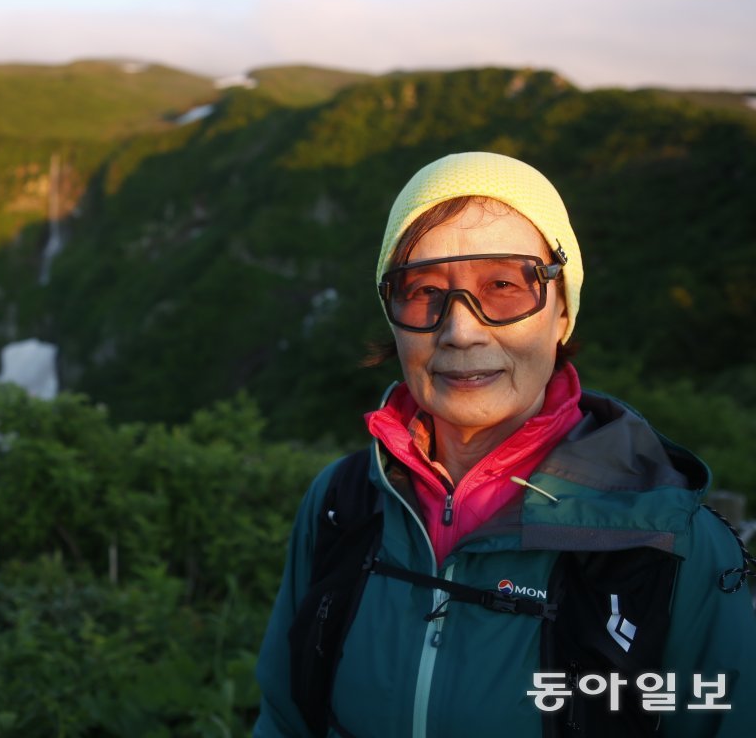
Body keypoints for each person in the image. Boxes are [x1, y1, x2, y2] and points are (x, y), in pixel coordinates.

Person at [253, 151, 756, 737]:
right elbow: (287, 721)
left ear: (562, 308)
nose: (460, 330)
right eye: (422, 292)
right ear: (390, 317)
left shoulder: (672, 543)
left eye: (503, 286)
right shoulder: (344, 504)